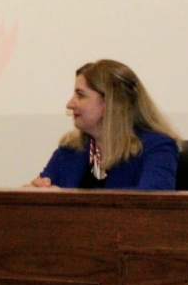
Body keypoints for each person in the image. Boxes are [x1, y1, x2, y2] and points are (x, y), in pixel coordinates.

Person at [28, 59, 179, 190]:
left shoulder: (156, 148)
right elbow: (43, 190)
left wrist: (65, 199)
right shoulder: (70, 150)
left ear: (110, 102)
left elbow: (151, 202)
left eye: (80, 95)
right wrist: (32, 194)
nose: (70, 104)